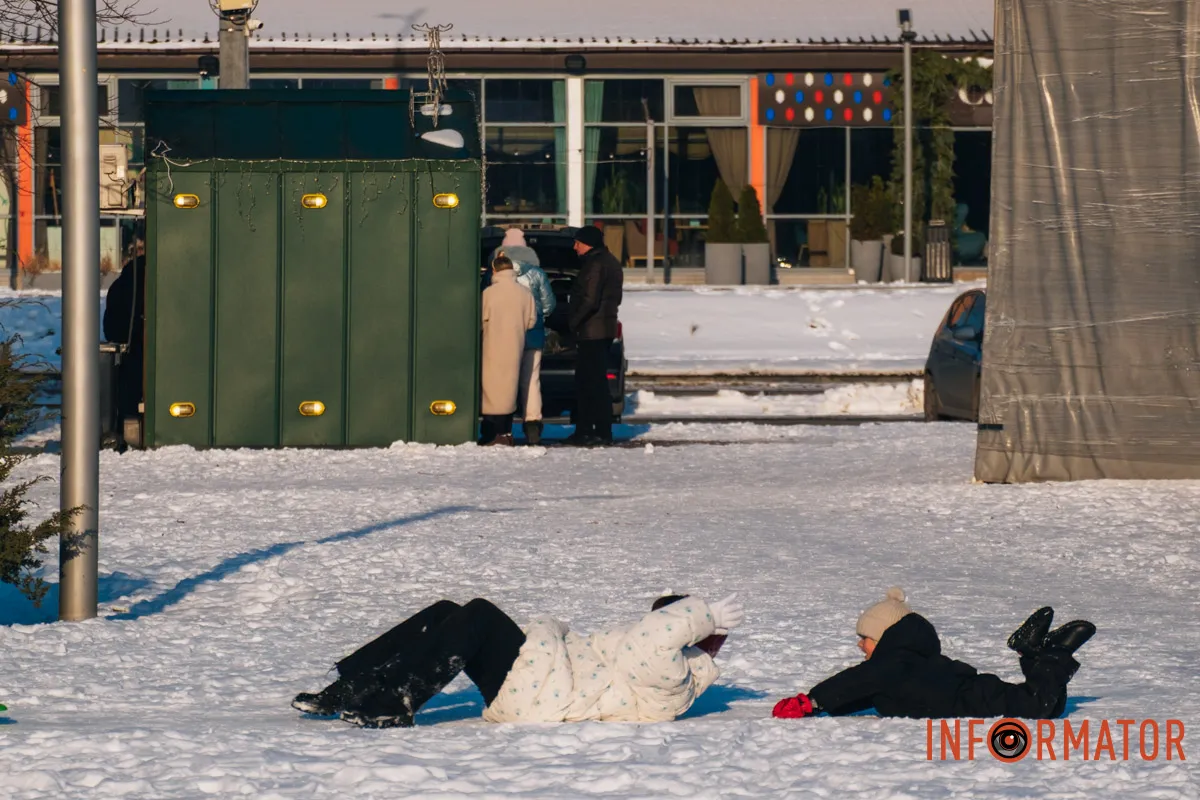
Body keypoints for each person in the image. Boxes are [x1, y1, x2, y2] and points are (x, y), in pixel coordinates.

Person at [292, 592, 745, 729]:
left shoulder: (674, 679)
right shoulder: (655, 666)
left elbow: (651, 642)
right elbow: (648, 638)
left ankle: (394, 702)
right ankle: (351, 688)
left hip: (542, 689)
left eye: (672, 621)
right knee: (450, 614)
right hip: (538, 680)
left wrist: (706, 618)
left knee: (481, 615)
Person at [772, 588, 1096, 720]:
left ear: (885, 638)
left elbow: (856, 681)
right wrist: (826, 708)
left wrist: (811, 700)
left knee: (1039, 707)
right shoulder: (906, 662)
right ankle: (1039, 652)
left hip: (973, 700)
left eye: (866, 638)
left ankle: (1051, 652)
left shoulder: (891, 663)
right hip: (975, 692)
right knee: (1047, 707)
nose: (860, 645)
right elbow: (864, 693)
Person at [494, 229, 557, 446]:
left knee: (504, 381)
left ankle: (502, 427)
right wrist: (538, 318)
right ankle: (532, 426)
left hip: (502, 337)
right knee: (531, 381)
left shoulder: (493, 274)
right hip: (533, 334)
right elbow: (549, 305)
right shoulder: (538, 273)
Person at [567, 225, 623, 446]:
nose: (574, 247)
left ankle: (594, 431)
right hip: (602, 329)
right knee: (593, 382)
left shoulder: (596, 264)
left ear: (587, 243)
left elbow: (589, 300)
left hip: (592, 331)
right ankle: (594, 429)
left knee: (590, 383)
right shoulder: (609, 261)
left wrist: (572, 322)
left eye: (577, 243)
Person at [480, 254, 536, 446]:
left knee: (490, 390)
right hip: (515, 347)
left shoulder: (488, 293)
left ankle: (490, 432)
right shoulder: (525, 293)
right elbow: (531, 322)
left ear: (495, 270)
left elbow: (480, 320)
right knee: (509, 390)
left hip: (491, 346)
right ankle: (505, 431)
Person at [102, 241, 146, 422]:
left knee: (129, 386)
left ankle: (126, 420)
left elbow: (111, 321)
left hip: (130, 345)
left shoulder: (122, 283)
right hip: (144, 341)